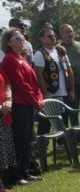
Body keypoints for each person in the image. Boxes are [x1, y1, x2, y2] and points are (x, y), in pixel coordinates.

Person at [1, 28, 43, 186]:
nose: (21, 39)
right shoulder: (10, 59)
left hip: (29, 104)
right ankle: (16, 176)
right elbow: (20, 85)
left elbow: (33, 82)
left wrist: (39, 98)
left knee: (28, 139)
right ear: (9, 43)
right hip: (20, 105)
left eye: (22, 36)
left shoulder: (22, 58)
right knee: (20, 140)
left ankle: (26, 171)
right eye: (17, 37)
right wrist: (35, 101)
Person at [33, 25, 75, 136]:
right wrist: (46, 94)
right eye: (49, 36)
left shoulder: (61, 51)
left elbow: (70, 71)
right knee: (46, 123)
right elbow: (39, 75)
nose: (52, 37)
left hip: (64, 92)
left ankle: (61, 143)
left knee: (63, 121)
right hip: (51, 94)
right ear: (42, 39)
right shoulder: (39, 54)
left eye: (53, 35)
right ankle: (41, 147)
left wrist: (72, 90)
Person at [1, 67, 17, 192]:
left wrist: (8, 99)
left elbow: (7, 83)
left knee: (4, 150)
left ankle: (4, 181)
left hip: (4, 114)